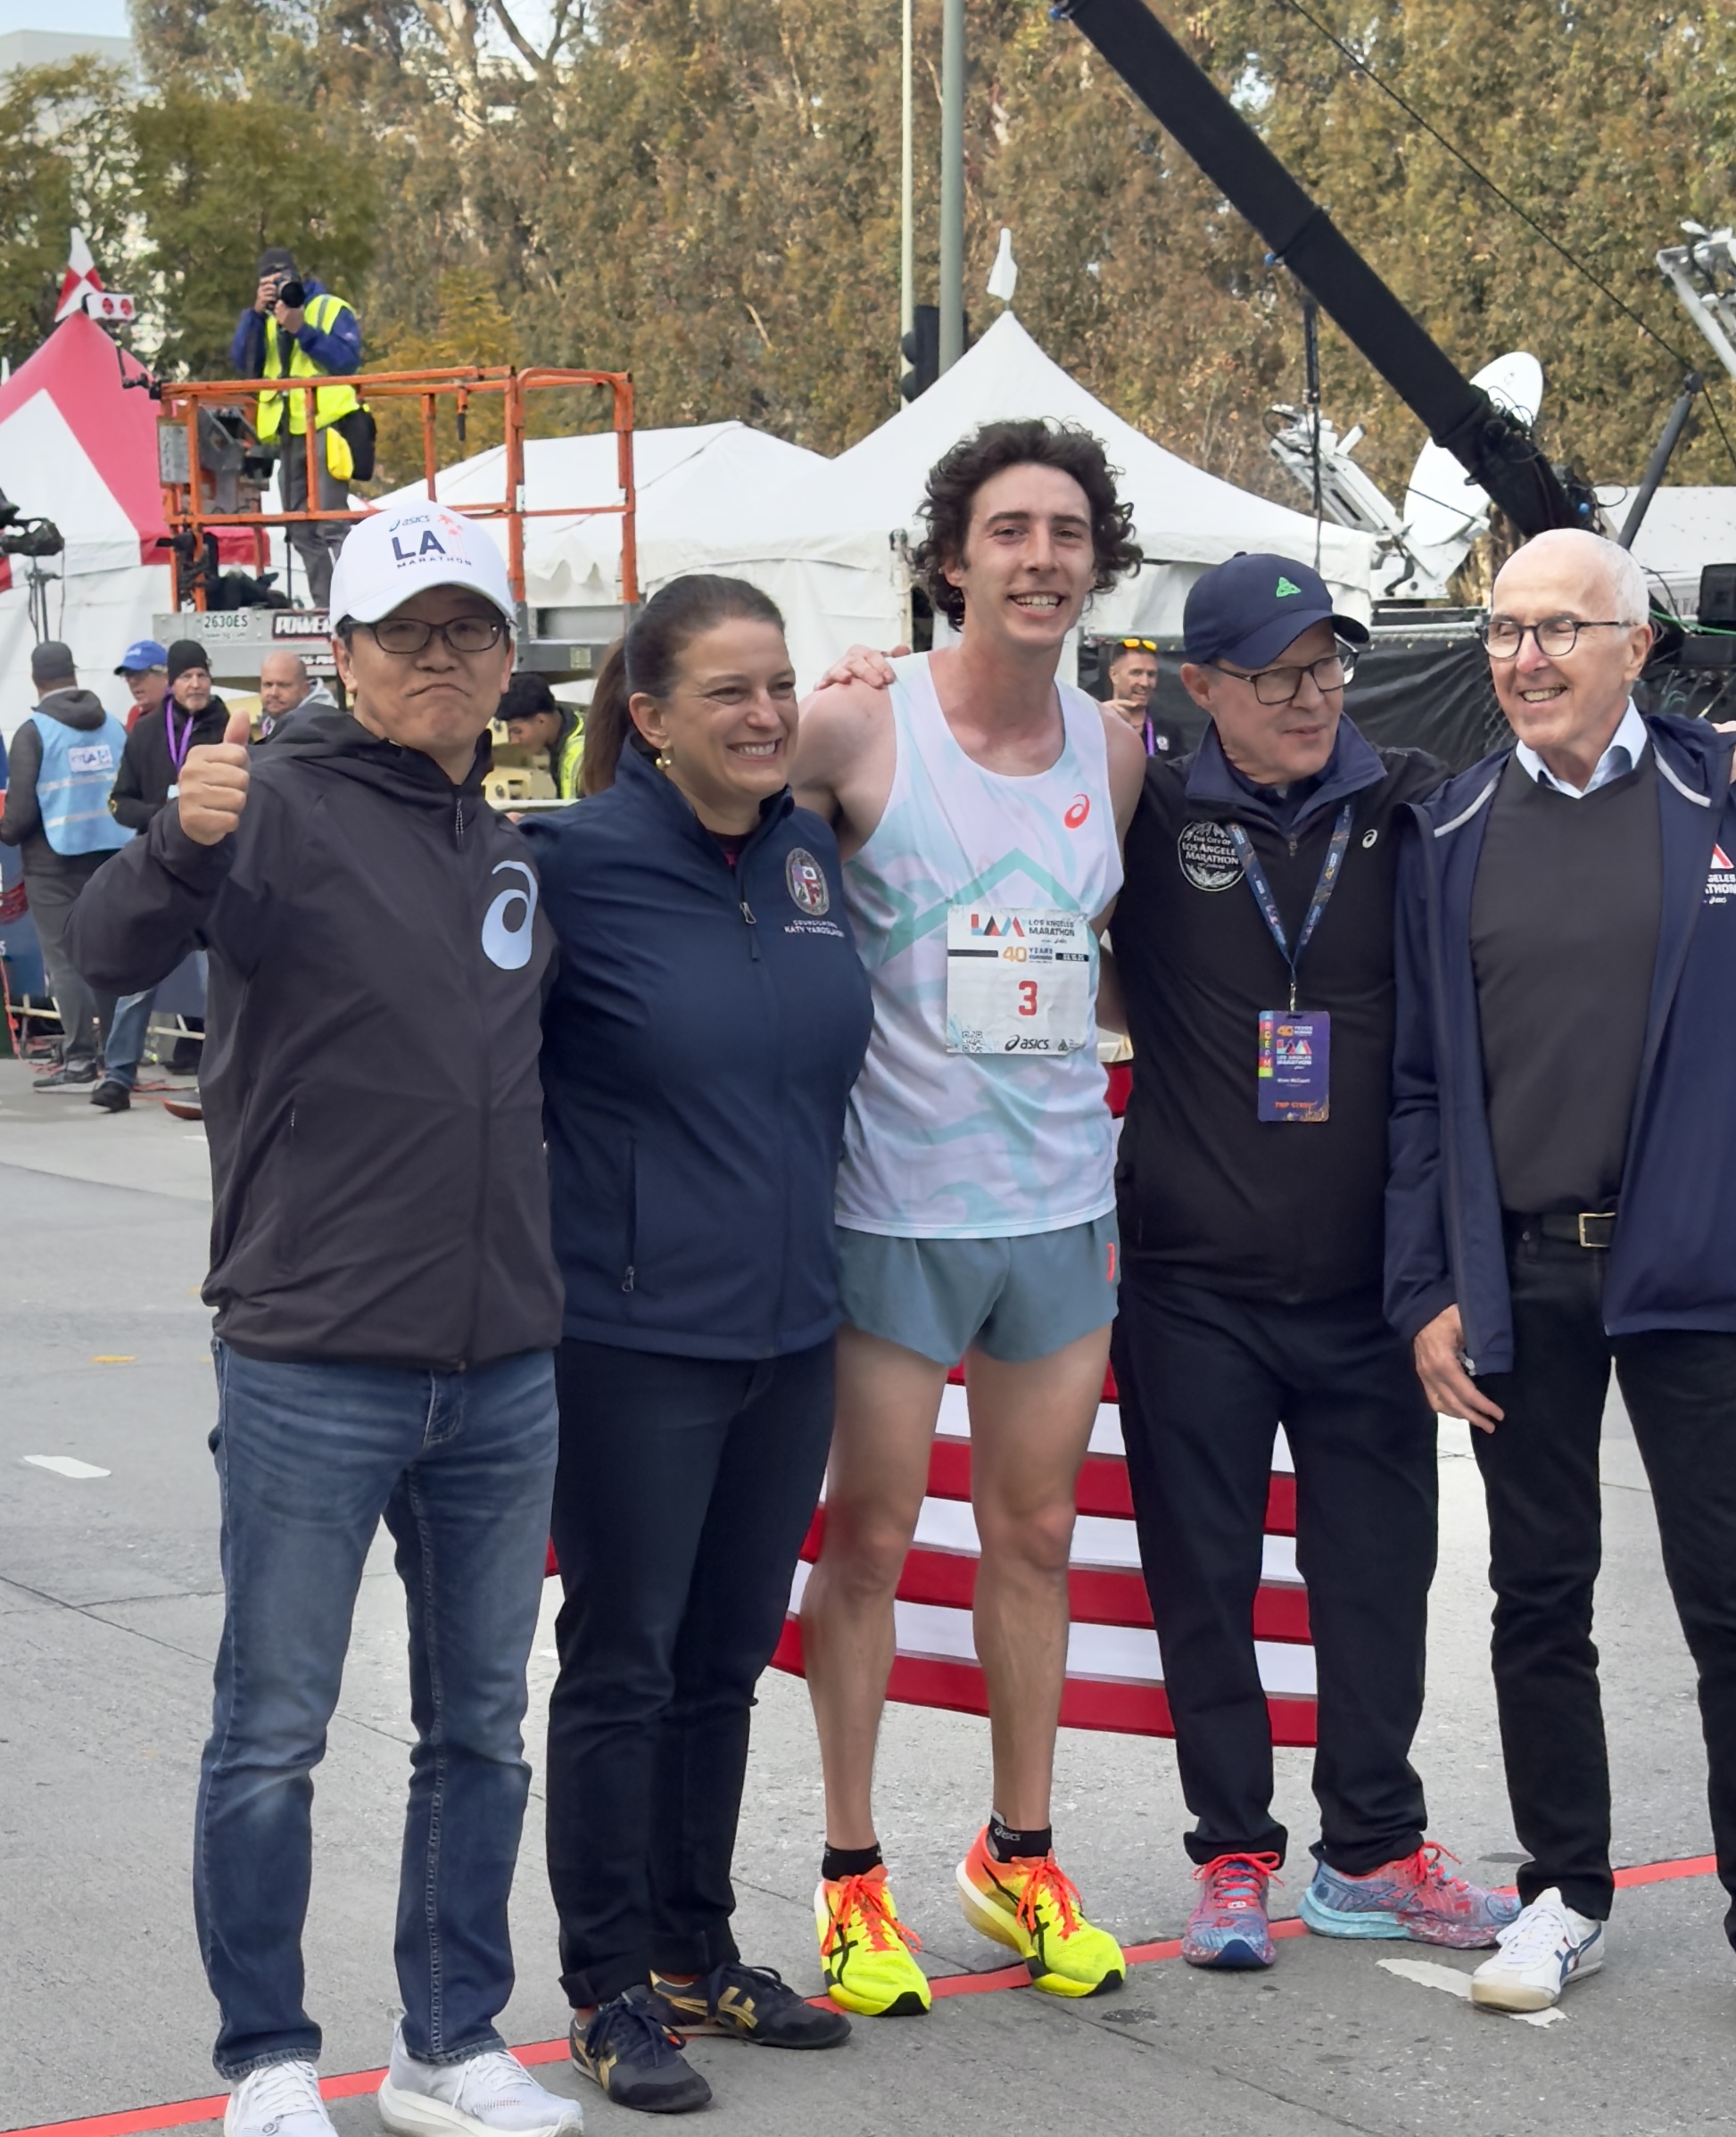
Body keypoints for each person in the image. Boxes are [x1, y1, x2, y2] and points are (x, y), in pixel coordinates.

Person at [64, 502, 581, 2137]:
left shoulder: (506, 840)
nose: (441, 659)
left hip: (500, 1363)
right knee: (273, 1730)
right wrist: (176, 842)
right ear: (345, 654)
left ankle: (451, 2038)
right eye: (405, 633)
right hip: (313, 1350)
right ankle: (268, 2057)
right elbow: (103, 954)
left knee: (481, 1726)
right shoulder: (266, 800)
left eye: (468, 631)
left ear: (505, 659)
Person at [1385, 528, 1736, 2050]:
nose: (1524, 658)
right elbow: (1416, 1087)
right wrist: (1426, 1285)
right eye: (1502, 630)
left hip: (1689, 1266)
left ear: (1635, 648)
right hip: (1519, 1272)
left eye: (1557, 629)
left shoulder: (1733, 799)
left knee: (1735, 1598)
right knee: (1537, 1596)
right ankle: (1564, 1890)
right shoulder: (1450, 825)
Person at [1103, 552, 1517, 1969]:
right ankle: (1229, 1851)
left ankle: (1372, 1847)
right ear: (1200, 685)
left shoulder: (1411, 799)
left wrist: (1732, 756)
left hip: (1368, 1288)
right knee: (1203, 1579)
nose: (1309, 696)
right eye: (1275, 675)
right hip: (1190, 1284)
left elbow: (1574, 785)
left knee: (1374, 1575)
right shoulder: (1148, 808)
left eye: (1326, 667)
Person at [790, 418, 1146, 2015]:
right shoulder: (859, 725)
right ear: (953, 559)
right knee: (867, 1538)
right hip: (892, 1208)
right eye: (1009, 530)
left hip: (1058, 1206)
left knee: (1036, 1537)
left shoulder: (1112, 751)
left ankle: (1017, 1852)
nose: (1040, 558)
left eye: (1065, 532)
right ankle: (849, 1872)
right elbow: (689, 794)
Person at [525, 577, 872, 2111]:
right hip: (631, 1337)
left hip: (792, 1332)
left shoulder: (805, 858)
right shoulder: (569, 863)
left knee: (724, 1660)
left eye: (780, 684)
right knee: (624, 1662)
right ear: (650, 718)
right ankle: (605, 1984)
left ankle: (692, 1948)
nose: (766, 713)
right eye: (729, 690)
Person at [93, 640, 233, 1112]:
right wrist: (164, 816)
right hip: (158, 865)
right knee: (140, 973)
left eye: (202, 675)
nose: (196, 684)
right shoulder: (147, 731)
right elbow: (119, 801)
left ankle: (218, 1079)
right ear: (172, 683)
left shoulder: (227, 727)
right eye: (187, 676)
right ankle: (118, 1075)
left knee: (217, 980)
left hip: (215, 869)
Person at [0, 640, 130, 1086]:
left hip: (52, 864)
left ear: (35, 679)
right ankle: (117, 1057)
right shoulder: (113, 726)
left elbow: (18, 817)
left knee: (66, 961)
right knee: (109, 957)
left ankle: (79, 1058)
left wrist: (4, 829)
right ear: (74, 673)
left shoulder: (33, 732)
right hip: (113, 858)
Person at [232, 244, 363, 608]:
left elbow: (347, 360)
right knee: (298, 526)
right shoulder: (264, 318)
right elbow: (245, 365)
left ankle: (355, 603)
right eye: (269, 282)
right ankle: (328, 604)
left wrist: (301, 329)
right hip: (288, 433)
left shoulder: (328, 307)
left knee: (332, 523)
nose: (278, 287)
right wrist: (255, 315)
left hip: (327, 426)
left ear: (298, 276)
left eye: (283, 279)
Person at [500, 672, 585, 798]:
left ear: (541, 720)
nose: (514, 741)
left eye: (517, 731)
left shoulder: (585, 754)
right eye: (510, 732)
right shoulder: (566, 733)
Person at [1098, 635, 1185, 757]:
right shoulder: (1094, 725)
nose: (1145, 683)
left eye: (1151, 674)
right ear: (1114, 675)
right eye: (1136, 673)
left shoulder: (1168, 731)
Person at [256, 647, 337, 740]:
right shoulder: (271, 722)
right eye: (268, 685)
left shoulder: (322, 728)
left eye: (283, 685)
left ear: (304, 690)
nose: (273, 693)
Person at [115, 638, 168, 730]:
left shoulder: (182, 715)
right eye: (128, 675)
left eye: (140, 674)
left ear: (165, 675)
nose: (132, 681)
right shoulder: (135, 714)